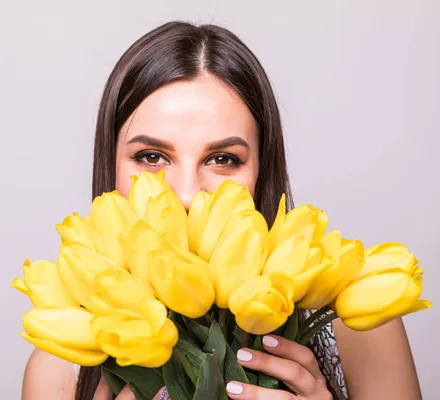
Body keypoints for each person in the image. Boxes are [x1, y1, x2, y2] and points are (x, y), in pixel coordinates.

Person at [21, 21, 423, 400]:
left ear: (262, 171)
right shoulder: (62, 366)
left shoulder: (356, 330)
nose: (187, 194)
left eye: (223, 159)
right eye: (151, 156)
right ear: (111, 165)